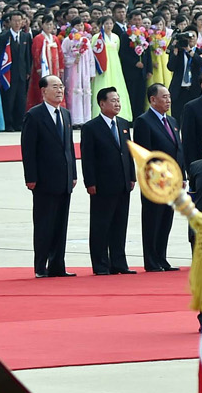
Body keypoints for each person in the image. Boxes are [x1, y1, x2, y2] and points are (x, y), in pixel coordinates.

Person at [20, 75, 75, 278]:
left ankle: (57, 265)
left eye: (61, 86)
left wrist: (74, 174)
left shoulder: (66, 114)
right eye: (55, 87)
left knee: (61, 224)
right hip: (44, 180)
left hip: (65, 179)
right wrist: (30, 177)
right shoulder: (34, 116)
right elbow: (28, 149)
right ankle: (40, 266)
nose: (60, 90)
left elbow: (69, 147)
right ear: (43, 91)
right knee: (44, 224)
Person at [77, 86, 134, 276]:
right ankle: (101, 264)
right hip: (102, 184)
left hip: (123, 183)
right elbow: (88, 157)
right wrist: (90, 182)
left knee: (120, 225)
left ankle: (119, 262)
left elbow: (128, 153)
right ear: (102, 104)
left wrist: (132, 177)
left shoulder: (124, 124)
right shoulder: (91, 127)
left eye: (118, 100)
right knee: (101, 225)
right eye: (113, 101)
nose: (117, 104)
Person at [131, 83, 180, 271]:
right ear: (153, 100)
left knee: (166, 219)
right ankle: (151, 261)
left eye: (169, 96)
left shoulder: (173, 122)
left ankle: (162, 258)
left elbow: (178, 150)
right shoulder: (144, 121)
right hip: (155, 182)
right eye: (164, 97)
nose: (168, 100)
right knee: (153, 220)